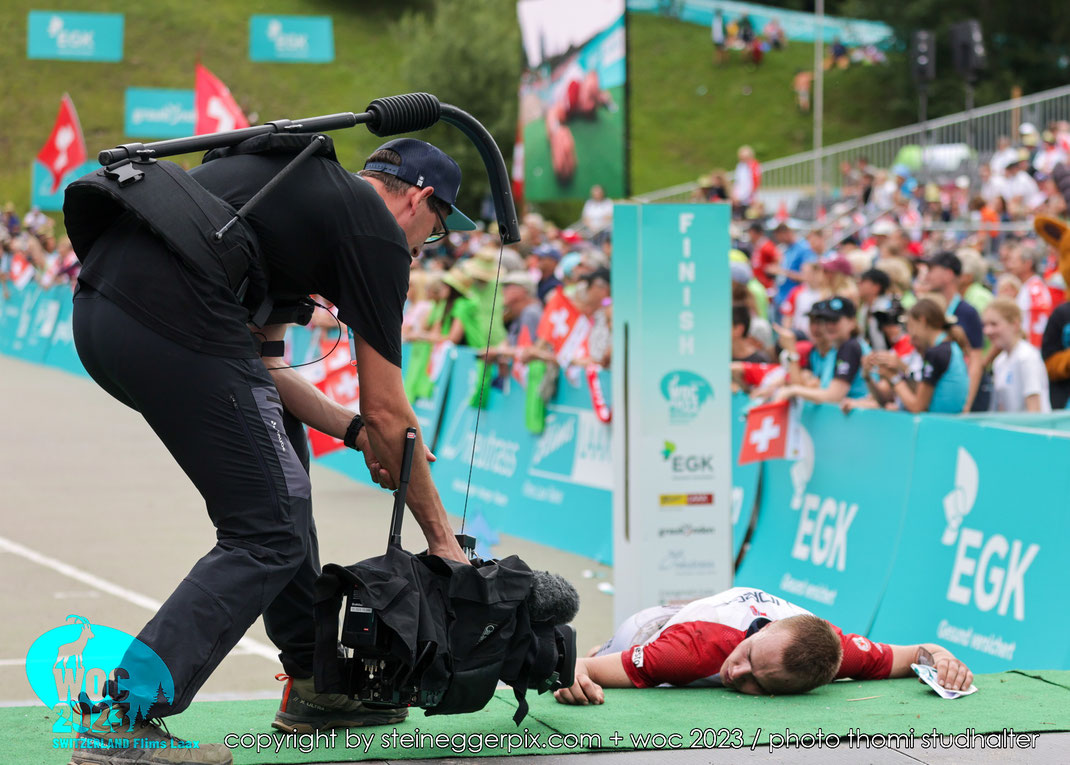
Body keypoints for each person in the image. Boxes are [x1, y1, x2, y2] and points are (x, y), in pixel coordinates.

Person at [67, 136, 476, 761]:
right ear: (420, 199)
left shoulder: (291, 188)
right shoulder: (377, 234)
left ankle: (315, 683)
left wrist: (351, 431)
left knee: (284, 472)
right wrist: (445, 545)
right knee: (269, 529)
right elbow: (391, 411)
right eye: (438, 229)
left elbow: (267, 375)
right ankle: (125, 716)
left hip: (99, 313)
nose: (425, 250)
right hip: (169, 319)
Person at [554, 586, 973, 704]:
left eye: (759, 683)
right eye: (749, 658)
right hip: (653, 626)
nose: (736, 674)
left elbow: (918, 652)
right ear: (756, 634)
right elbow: (580, 671)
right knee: (608, 656)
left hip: (709, 614)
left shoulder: (838, 650)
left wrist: (943, 658)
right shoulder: (691, 651)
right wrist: (574, 669)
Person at [875, 298, 970, 414]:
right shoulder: (951, 346)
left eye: (909, 326)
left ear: (922, 321)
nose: (910, 336)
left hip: (939, 425)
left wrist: (893, 377)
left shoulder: (936, 352)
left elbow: (916, 407)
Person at [920, 252, 987, 410]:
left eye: (931, 270)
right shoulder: (929, 309)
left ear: (948, 274)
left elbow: (975, 360)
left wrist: (966, 404)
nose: (927, 276)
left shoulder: (968, 312)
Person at [775, 298, 869, 404]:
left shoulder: (850, 347)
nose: (828, 326)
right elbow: (803, 384)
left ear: (852, 322)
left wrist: (794, 390)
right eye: (826, 321)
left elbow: (834, 396)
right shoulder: (835, 348)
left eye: (835, 321)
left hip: (860, 417)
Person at [983, 298, 1051, 412]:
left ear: (1015, 324)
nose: (987, 331)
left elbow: (1035, 411)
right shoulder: (999, 362)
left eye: (994, 324)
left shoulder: (1027, 357)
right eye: (985, 325)